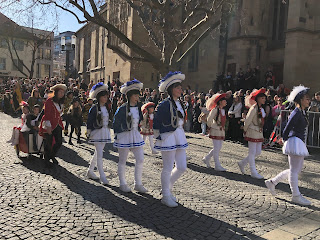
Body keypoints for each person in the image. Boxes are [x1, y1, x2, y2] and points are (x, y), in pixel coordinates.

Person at [265, 86, 311, 205]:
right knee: (294, 171)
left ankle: (272, 182)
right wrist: (284, 139)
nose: (308, 100)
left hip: (298, 141)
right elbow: (287, 127)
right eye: (306, 98)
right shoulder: (296, 112)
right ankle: (295, 195)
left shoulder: (301, 111)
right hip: (294, 141)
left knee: (295, 170)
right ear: (300, 100)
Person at [154, 71, 188, 207]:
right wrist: (158, 137)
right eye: (178, 87)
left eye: (180, 87)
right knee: (167, 167)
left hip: (179, 135)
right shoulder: (164, 104)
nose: (180, 90)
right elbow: (156, 122)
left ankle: (166, 189)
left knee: (182, 167)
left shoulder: (180, 103)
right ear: (171, 89)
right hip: (168, 137)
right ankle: (166, 196)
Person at [113, 79, 147, 193]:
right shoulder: (122, 108)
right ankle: (122, 183)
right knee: (123, 160)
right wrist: (119, 133)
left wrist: (142, 123)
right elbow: (115, 122)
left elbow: (140, 120)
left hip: (136, 135)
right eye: (135, 95)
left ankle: (138, 184)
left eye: (138, 95)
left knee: (140, 159)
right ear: (130, 96)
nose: (138, 97)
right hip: (124, 136)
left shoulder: (139, 107)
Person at [86, 83, 113, 185]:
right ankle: (102, 176)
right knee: (100, 154)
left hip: (105, 132)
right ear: (99, 97)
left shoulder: (107, 107)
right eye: (104, 97)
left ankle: (90, 170)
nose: (106, 98)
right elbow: (90, 120)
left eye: (106, 96)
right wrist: (89, 131)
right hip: (97, 132)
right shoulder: (94, 108)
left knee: (98, 152)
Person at [238, 88, 266, 179]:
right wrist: (245, 130)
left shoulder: (260, 108)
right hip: (252, 131)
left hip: (258, 131)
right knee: (252, 151)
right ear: (257, 99)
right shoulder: (253, 108)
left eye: (264, 98)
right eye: (262, 98)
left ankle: (242, 163)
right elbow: (248, 120)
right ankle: (253, 171)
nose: (264, 99)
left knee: (258, 152)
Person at [39, 84, 67, 166]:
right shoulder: (49, 101)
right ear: (56, 92)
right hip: (49, 124)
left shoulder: (61, 102)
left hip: (58, 124)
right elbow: (47, 114)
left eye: (63, 92)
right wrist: (48, 126)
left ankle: (52, 155)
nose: (62, 94)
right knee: (49, 143)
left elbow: (59, 113)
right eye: (60, 92)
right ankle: (46, 161)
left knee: (59, 142)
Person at [202, 93, 228, 171]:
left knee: (218, 148)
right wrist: (211, 127)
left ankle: (207, 158)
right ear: (220, 102)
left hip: (221, 131)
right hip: (216, 130)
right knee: (217, 148)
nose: (226, 102)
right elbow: (209, 119)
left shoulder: (222, 110)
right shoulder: (215, 109)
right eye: (224, 100)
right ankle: (217, 165)